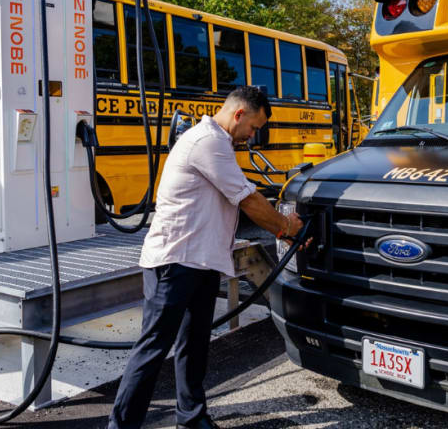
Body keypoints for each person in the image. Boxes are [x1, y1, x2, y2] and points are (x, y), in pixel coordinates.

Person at [108, 86, 305, 429]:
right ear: (239, 114)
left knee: (194, 344)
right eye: (253, 127)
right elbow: (248, 199)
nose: (252, 136)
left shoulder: (219, 143)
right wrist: (288, 227)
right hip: (175, 262)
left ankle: (191, 416)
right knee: (154, 349)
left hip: (201, 261)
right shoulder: (208, 142)